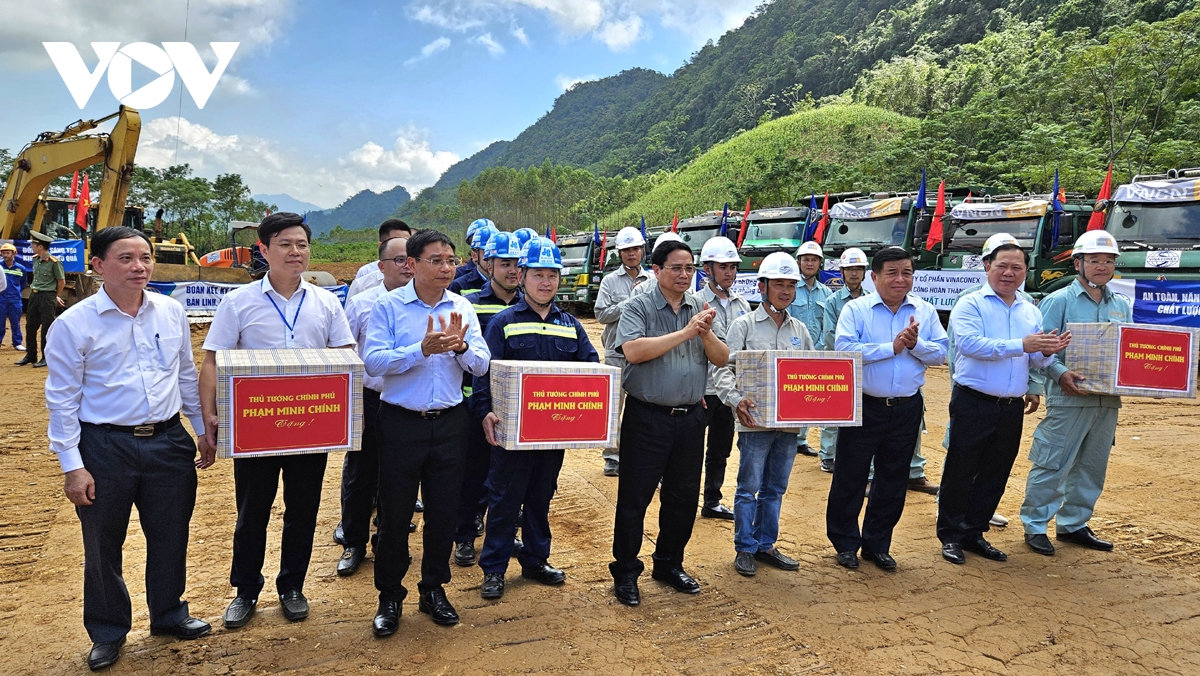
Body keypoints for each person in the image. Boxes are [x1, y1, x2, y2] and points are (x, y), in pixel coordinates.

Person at [44, 227, 212, 671]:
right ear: (98, 265)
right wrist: (72, 466)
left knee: (170, 532)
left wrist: (200, 428)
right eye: (125, 258)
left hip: (168, 441)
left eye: (145, 257)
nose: (139, 266)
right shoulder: (73, 324)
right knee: (103, 543)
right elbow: (61, 399)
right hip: (104, 445)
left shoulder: (171, 312)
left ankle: (170, 613)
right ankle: (108, 629)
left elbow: (184, 374)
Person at [198, 212, 356, 628]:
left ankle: (292, 586)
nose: (295, 252)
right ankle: (246, 590)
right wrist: (209, 413)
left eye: (302, 244)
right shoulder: (239, 302)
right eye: (285, 244)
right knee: (252, 512)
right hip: (256, 429)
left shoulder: (325, 301)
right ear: (264, 250)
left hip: (310, 427)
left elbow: (345, 357)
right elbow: (212, 360)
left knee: (302, 510)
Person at [363, 229, 490, 636]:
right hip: (401, 421)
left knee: (443, 512)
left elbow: (482, 364)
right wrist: (421, 349)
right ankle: (389, 596)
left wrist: (459, 349)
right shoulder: (389, 306)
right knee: (396, 514)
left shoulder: (463, 307)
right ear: (411, 264)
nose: (446, 268)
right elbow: (373, 361)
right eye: (436, 260)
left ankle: (434, 588)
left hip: (451, 422)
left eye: (451, 260)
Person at [472, 237, 600, 599]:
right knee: (504, 499)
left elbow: (590, 369)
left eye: (552, 275)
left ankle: (535, 559)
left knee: (541, 496)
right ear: (522, 276)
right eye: (538, 274)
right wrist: (484, 412)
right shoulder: (502, 323)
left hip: (551, 433)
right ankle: (494, 568)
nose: (546, 282)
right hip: (512, 435)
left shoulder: (571, 325)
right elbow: (483, 373)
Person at [609, 238, 729, 606]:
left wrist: (705, 332)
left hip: (691, 417)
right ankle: (627, 572)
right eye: (676, 268)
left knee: (682, 497)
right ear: (657, 270)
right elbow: (634, 351)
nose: (684, 274)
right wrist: (688, 332)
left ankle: (669, 564)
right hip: (648, 417)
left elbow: (722, 358)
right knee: (635, 498)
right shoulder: (637, 306)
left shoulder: (702, 307)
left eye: (690, 268)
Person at [938, 234, 1069, 565]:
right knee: (961, 470)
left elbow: (1033, 359)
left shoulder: (1029, 310)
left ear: (1026, 271)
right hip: (973, 401)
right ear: (987, 266)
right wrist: (1022, 345)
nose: (1009, 273)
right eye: (1002, 266)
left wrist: (1047, 353)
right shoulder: (971, 304)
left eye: (1017, 267)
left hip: (1011, 407)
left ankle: (974, 532)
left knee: (996, 472)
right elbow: (970, 345)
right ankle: (951, 536)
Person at [827, 246, 947, 571]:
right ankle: (846, 543)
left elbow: (941, 353)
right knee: (850, 477)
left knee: (893, 479)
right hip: (864, 405)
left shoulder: (925, 311)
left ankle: (878, 544)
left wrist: (914, 344)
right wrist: (890, 348)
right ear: (874, 276)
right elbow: (845, 350)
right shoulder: (857, 310)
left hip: (907, 407)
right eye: (891, 272)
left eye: (906, 272)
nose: (900, 279)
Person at [1020, 231, 1131, 556]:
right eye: (1095, 260)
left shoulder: (1121, 305)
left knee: (1092, 465)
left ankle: (1073, 524)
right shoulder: (1059, 301)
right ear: (1078, 263)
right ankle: (1035, 525)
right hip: (1069, 398)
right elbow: (1041, 350)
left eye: (1108, 261)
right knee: (1054, 462)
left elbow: (1131, 351)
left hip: (1107, 401)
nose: (1102, 266)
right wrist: (1059, 373)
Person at [715, 252, 811, 577]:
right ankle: (745, 547)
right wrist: (736, 400)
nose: (785, 291)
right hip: (754, 423)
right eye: (778, 284)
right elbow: (723, 371)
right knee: (748, 487)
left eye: (791, 285)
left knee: (776, 488)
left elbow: (813, 373)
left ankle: (766, 544)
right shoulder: (743, 326)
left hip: (788, 427)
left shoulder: (800, 330)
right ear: (762, 286)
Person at [334, 234, 413, 577]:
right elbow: (346, 355)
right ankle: (354, 542)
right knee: (361, 474)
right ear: (380, 267)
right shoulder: (363, 302)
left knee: (400, 475)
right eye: (398, 260)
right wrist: (352, 407)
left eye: (411, 259)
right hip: (369, 398)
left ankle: (389, 541)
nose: (406, 266)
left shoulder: (426, 303)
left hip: (407, 401)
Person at [454, 232, 524, 567]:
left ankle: (507, 535)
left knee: (510, 480)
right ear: (487, 263)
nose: (513, 270)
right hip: (475, 406)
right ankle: (465, 536)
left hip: (518, 410)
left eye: (517, 264)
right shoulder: (469, 303)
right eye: (505, 263)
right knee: (472, 476)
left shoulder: (529, 306)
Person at [695, 236, 750, 520]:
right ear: (708, 269)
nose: (729, 272)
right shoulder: (696, 302)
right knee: (689, 449)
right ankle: (683, 496)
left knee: (720, 449)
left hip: (728, 390)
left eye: (732, 266)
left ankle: (712, 501)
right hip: (702, 388)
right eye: (723, 266)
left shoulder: (743, 305)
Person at [593, 226, 651, 477]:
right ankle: (612, 456)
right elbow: (601, 314)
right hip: (616, 354)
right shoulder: (610, 281)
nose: (631, 254)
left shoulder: (653, 280)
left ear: (642, 250)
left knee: (643, 409)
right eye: (627, 250)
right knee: (613, 408)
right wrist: (631, 303)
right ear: (619, 252)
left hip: (645, 354)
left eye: (636, 248)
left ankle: (640, 455)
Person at [789, 240, 831, 456]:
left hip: (816, 352)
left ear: (819, 264)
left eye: (814, 260)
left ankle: (800, 439)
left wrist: (819, 350)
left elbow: (828, 326)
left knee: (808, 397)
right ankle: (787, 436)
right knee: (789, 395)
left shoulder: (826, 293)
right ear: (799, 262)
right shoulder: (789, 288)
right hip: (791, 353)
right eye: (806, 259)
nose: (810, 263)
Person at [16, 231, 65, 368]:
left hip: (47, 296)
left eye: (34, 244)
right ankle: (31, 355)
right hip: (35, 295)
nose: (32, 246)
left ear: (40, 246)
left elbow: (61, 281)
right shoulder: (36, 259)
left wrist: (54, 296)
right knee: (30, 326)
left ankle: (45, 357)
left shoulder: (54, 262)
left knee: (47, 328)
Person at [348, 219, 412, 299]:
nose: (402, 244)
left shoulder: (420, 281)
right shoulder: (363, 281)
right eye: (395, 241)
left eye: (407, 242)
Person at [449, 223, 497, 296]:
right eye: (487, 253)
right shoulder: (458, 285)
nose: (493, 261)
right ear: (474, 255)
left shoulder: (510, 285)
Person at [1, 242, 27, 351]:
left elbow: (23, 283)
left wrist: (15, 292)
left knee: (15, 322)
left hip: (15, 299)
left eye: (8, 252)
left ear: (14, 253)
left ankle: (17, 343)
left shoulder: (21, 269)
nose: (5, 255)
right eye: (3, 253)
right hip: (1, 299)